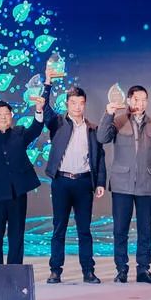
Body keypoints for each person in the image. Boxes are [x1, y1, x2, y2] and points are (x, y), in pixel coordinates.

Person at [97, 85, 151, 285]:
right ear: (128, 100)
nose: (141, 103)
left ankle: (143, 269)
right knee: (120, 230)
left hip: (147, 183)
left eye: (144, 99)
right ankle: (121, 269)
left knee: (145, 230)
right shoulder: (118, 121)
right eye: (137, 99)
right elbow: (102, 137)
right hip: (122, 184)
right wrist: (108, 114)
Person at [41, 72, 107, 285]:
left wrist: (100, 182)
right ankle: (55, 271)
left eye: (81, 103)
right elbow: (45, 108)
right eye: (73, 103)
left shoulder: (93, 129)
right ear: (67, 104)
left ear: (85, 104)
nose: (77, 107)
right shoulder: (57, 123)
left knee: (84, 230)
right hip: (61, 182)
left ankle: (88, 271)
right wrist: (48, 83)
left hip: (84, 182)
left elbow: (99, 157)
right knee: (59, 228)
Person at [0, 99, 45, 265]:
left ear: (11, 116)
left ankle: (15, 270)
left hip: (18, 192)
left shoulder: (19, 133)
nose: (3, 117)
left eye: (6, 114)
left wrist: (38, 110)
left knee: (16, 235)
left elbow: (36, 129)